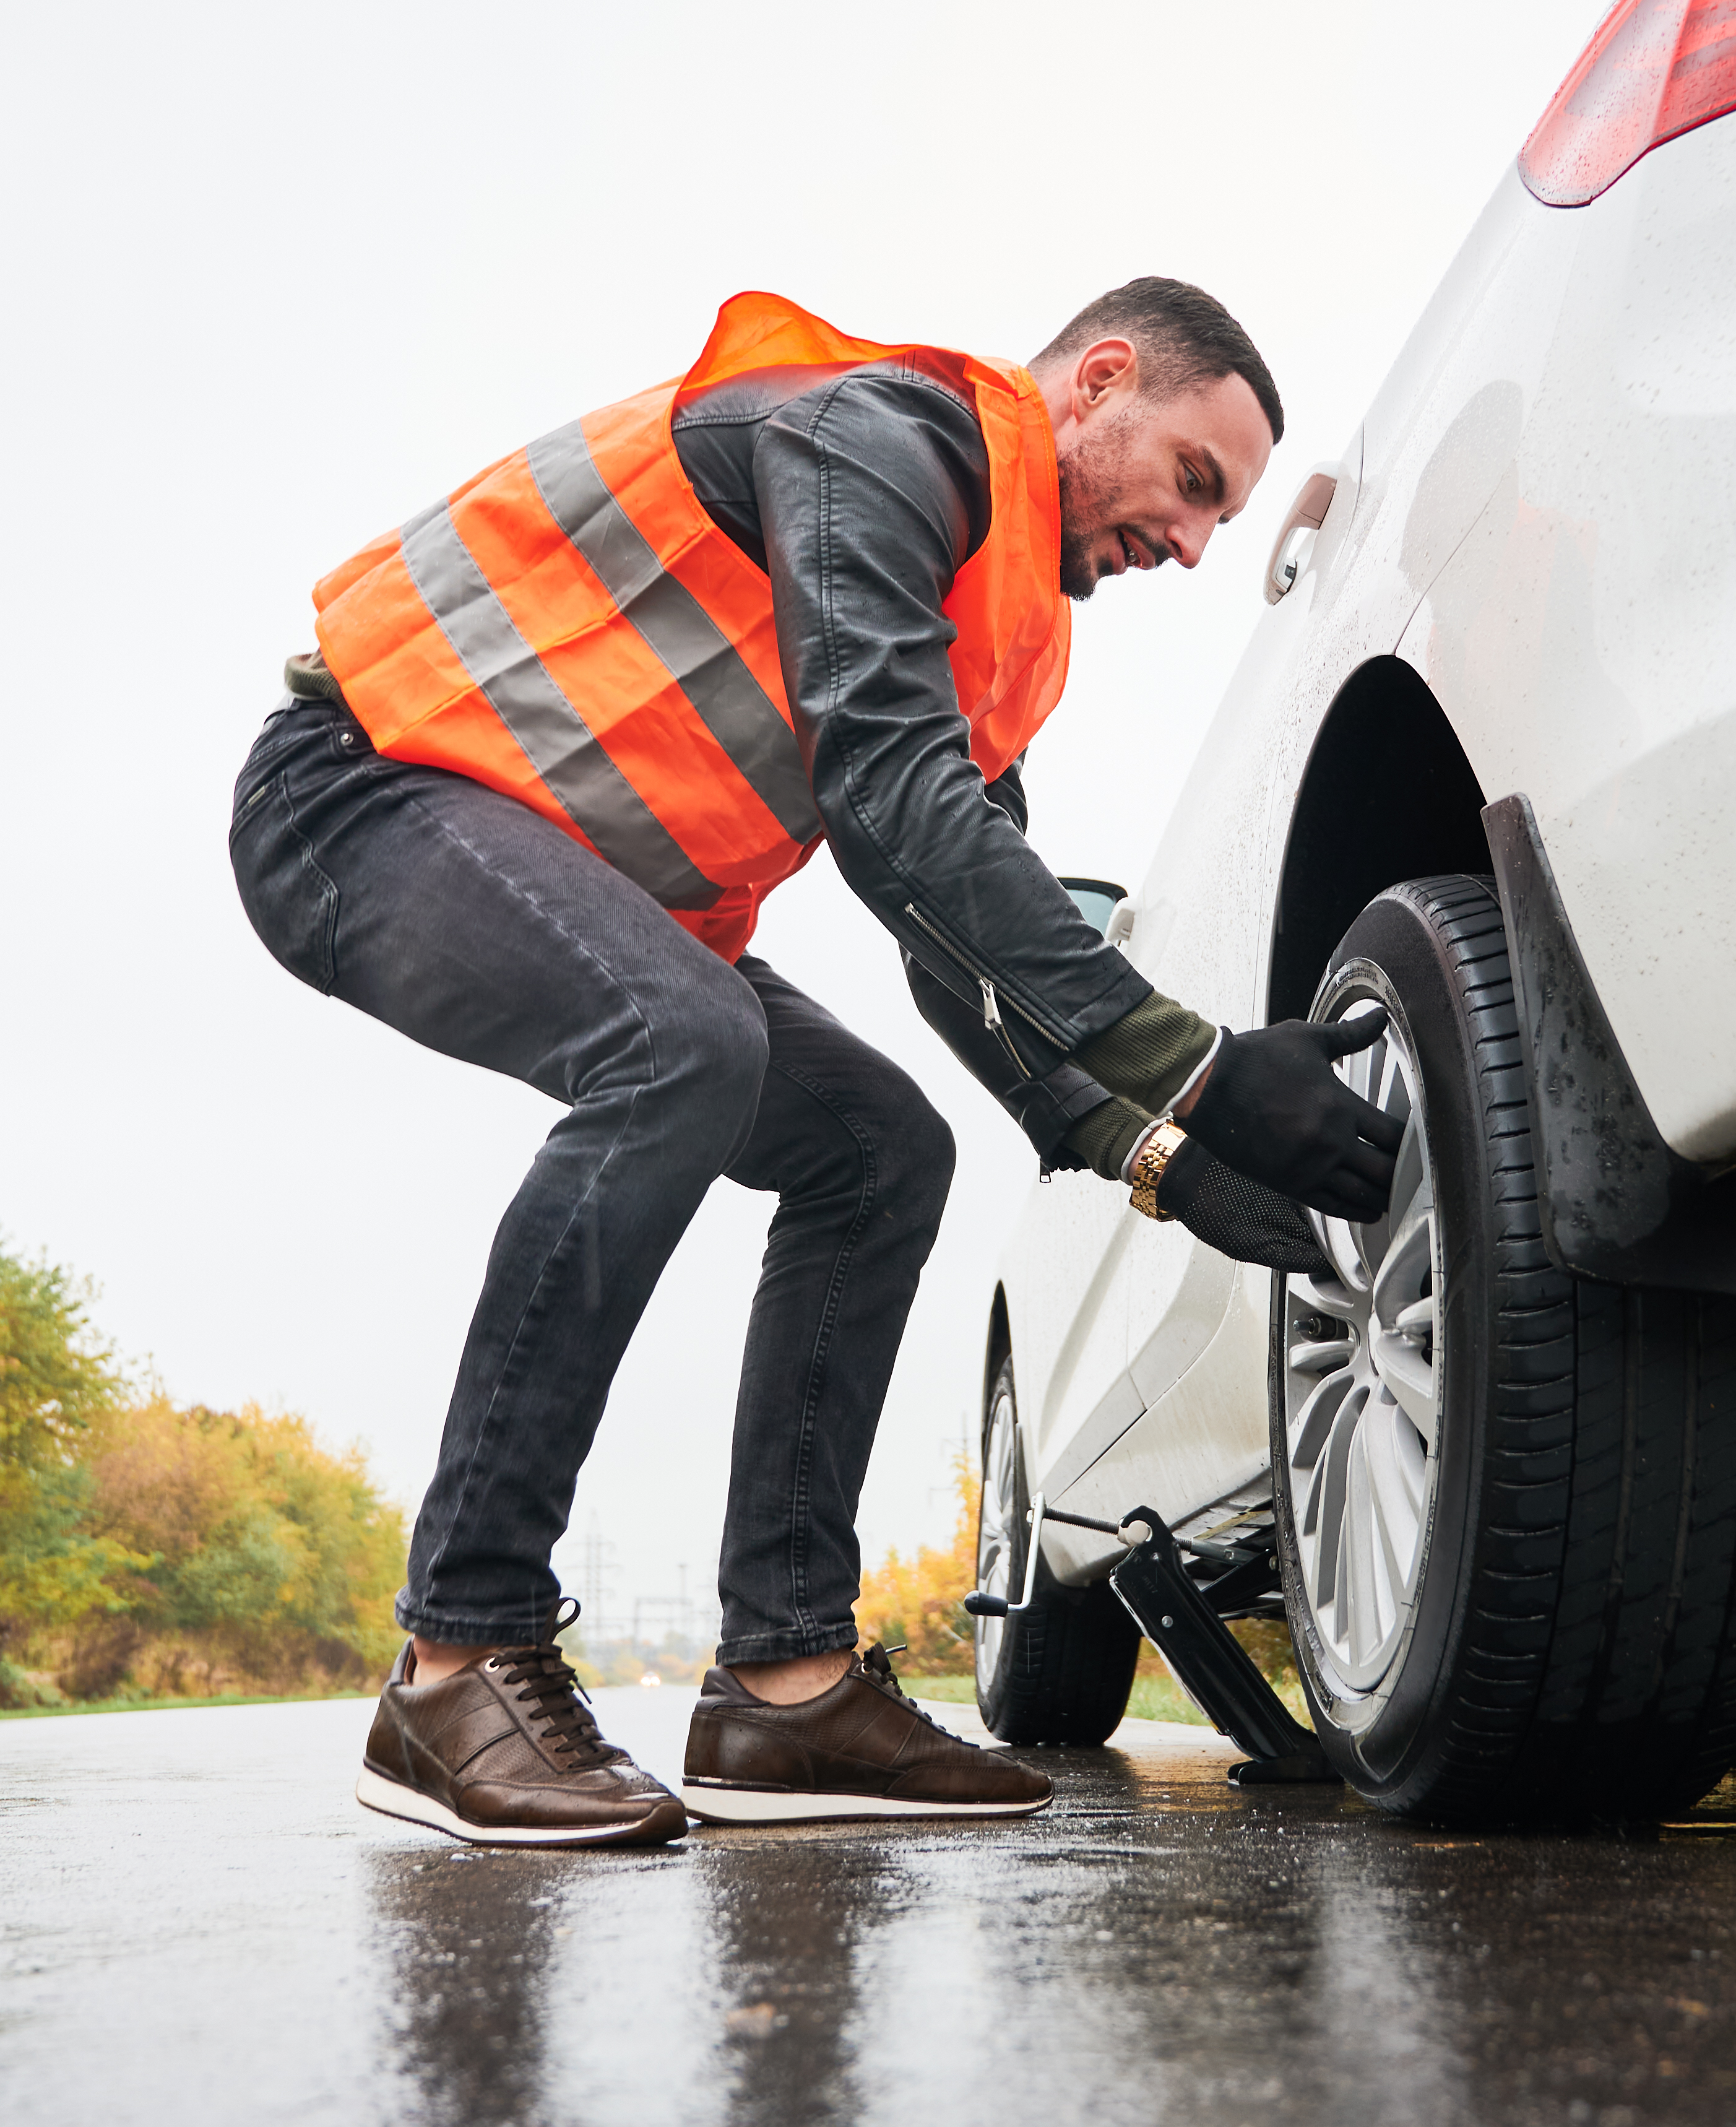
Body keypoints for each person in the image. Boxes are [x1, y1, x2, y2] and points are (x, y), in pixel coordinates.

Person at [229, 279, 1401, 1846]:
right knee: (681, 1043)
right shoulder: (881, 439)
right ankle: (454, 1660)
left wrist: (1174, 1160)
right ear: (1099, 379)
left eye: (1216, 516)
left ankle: (781, 1696)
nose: (1191, 546)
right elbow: (888, 804)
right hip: (357, 791)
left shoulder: (996, 633)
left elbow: (965, 951)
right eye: (1192, 482)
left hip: (566, 876)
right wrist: (1198, 1068)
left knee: (877, 1149)